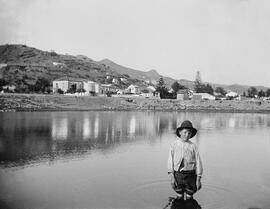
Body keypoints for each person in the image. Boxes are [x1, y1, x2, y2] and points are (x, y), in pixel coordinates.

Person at [168, 120, 203, 200]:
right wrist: (172, 176)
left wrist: (198, 178)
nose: (187, 135)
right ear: (180, 132)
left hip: (191, 175)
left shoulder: (193, 146)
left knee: (189, 196)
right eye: (185, 132)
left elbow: (198, 162)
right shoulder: (174, 145)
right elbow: (170, 161)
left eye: (189, 133)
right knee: (179, 195)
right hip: (178, 175)